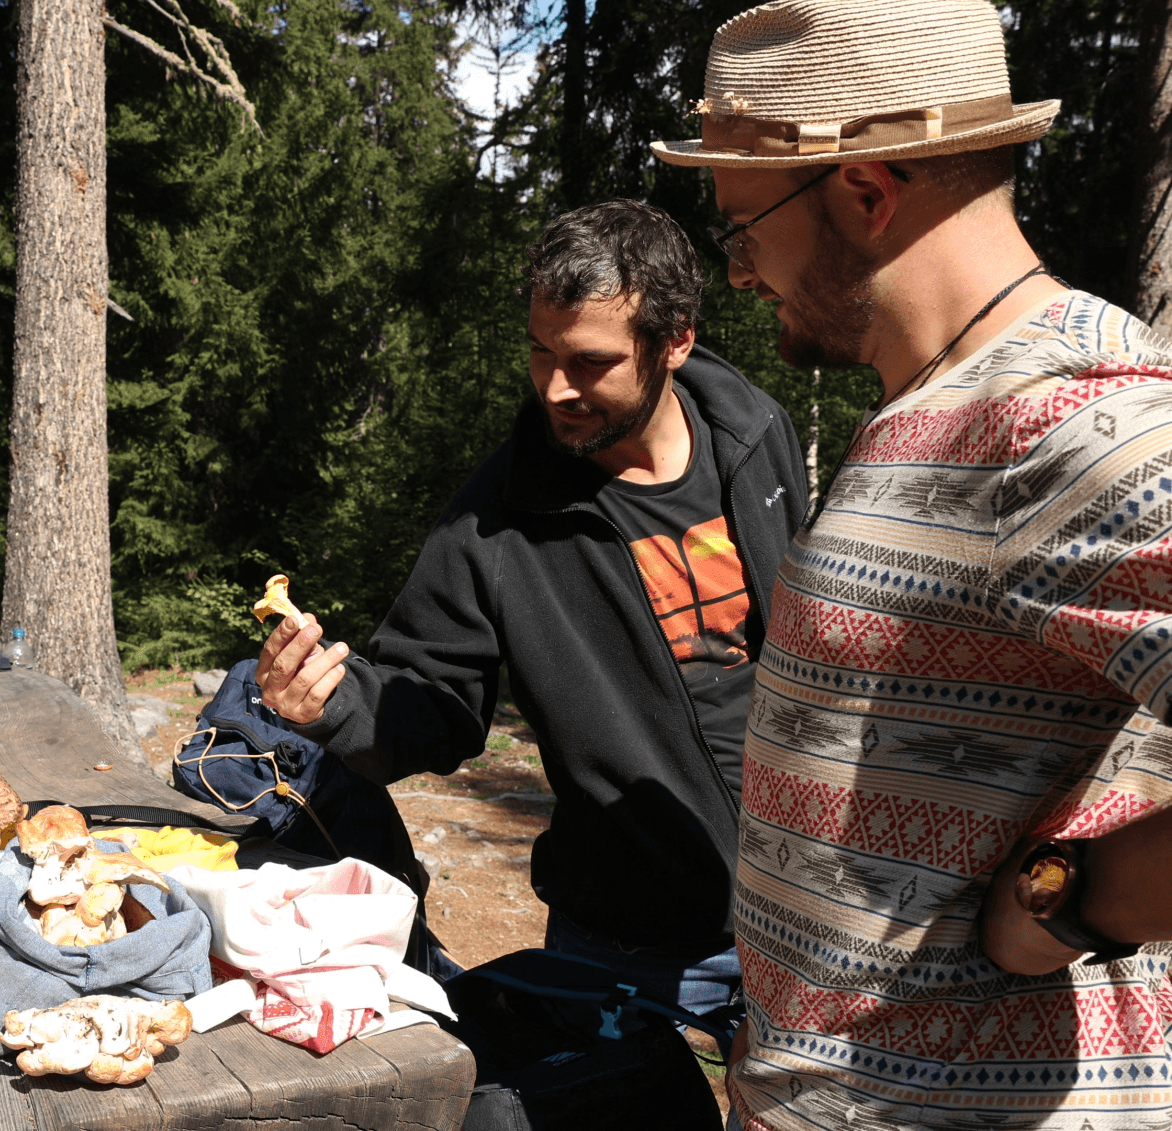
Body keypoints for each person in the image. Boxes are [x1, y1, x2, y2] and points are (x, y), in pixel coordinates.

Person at [650, 0, 1172, 1127]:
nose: (739, 273)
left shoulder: (1071, 422)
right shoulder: (934, 406)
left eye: (742, 230)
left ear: (865, 191)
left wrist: (1075, 895)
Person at [258, 199, 808, 1119]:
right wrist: (331, 704)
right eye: (540, 352)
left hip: (802, 913)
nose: (555, 386)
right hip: (623, 936)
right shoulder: (498, 518)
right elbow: (427, 696)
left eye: (589, 360)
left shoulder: (755, 436)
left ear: (674, 341)